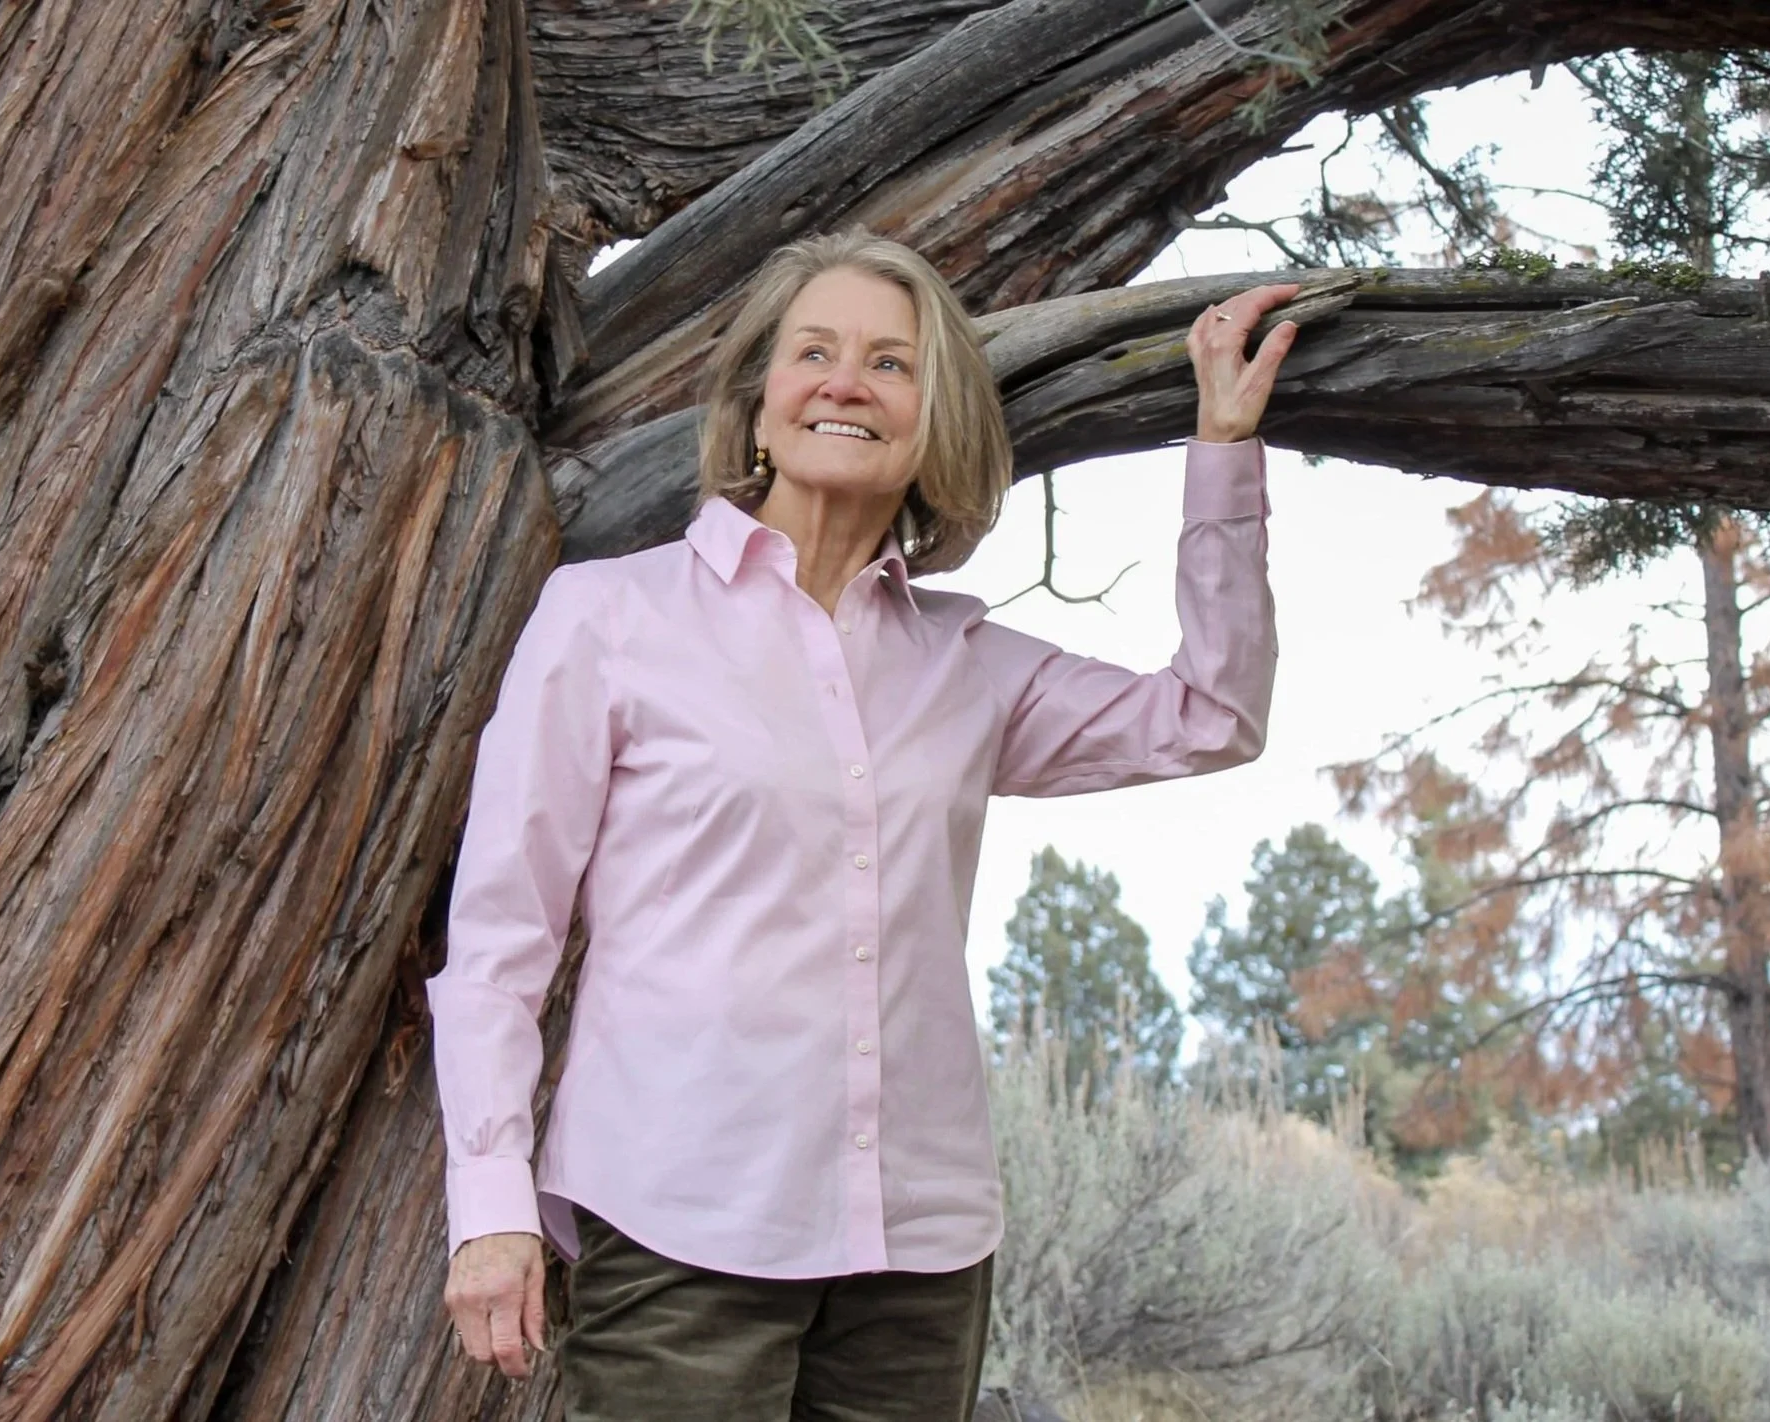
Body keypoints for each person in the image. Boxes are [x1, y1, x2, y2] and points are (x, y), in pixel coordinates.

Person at [429, 229, 1296, 1421]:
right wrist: (490, 1206)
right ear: (757, 402)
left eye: (891, 364)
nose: (846, 383)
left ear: (935, 420)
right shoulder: (608, 618)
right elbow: (499, 939)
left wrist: (1223, 452)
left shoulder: (966, 663)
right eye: (814, 353)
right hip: (679, 1224)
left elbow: (1211, 717)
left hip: (920, 1251)